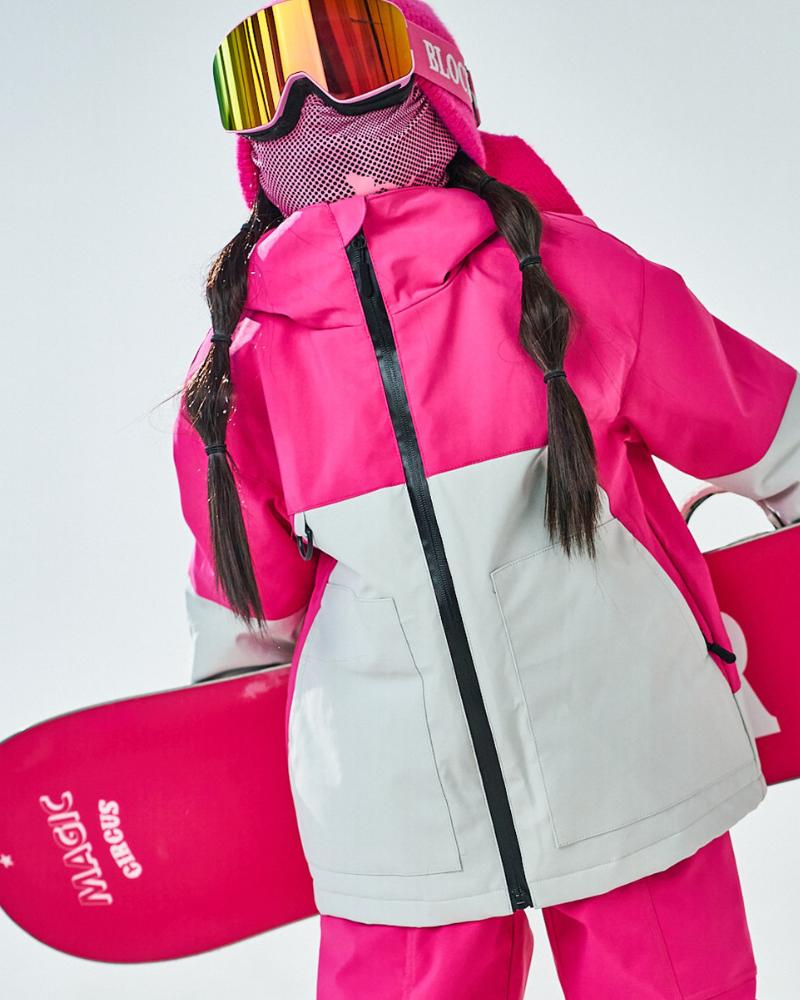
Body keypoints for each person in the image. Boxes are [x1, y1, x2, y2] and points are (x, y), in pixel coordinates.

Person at [173, 1, 798, 996]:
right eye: (260, 79)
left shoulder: (573, 276)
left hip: (632, 767)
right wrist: (230, 751)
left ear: (433, 77)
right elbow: (247, 615)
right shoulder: (241, 373)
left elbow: (762, 427)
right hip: (403, 830)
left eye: (345, 56)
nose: (302, 102)